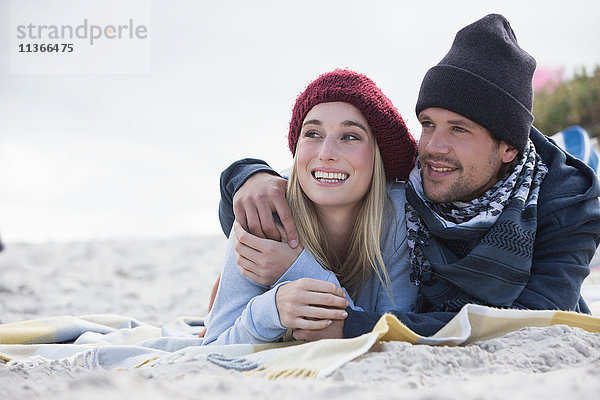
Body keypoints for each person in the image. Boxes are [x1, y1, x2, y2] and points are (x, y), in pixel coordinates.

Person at [217, 14, 600, 341]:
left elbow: (530, 321)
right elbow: (323, 178)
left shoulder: (568, 206)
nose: (433, 147)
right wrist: (249, 177)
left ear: (508, 148)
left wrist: (353, 325)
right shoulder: (418, 179)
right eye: (428, 124)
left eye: (459, 129)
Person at [203, 70, 419, 345]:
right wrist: (272, 309)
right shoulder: (263, 209)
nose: (326, 152)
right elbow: (211, 349)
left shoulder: (398, 215)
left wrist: (297, 267)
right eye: (313, 134)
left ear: (378, 154)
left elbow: (394, 332)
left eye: (350, 136)